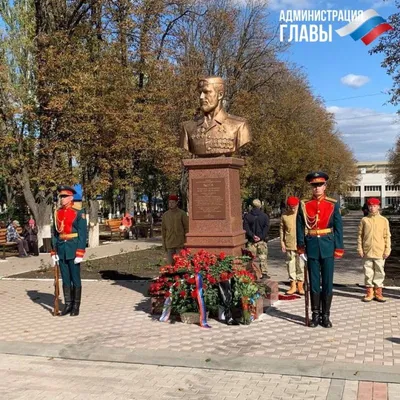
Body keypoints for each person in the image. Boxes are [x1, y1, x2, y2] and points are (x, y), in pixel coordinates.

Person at [297, 172, 344, 328]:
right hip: (311, 247)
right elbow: (299, 227)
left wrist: (339, 247)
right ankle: (315, 314)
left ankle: (326, 315)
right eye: (314, 185)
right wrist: (300, 246)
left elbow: (338, 227)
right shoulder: (304, 204)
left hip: (328, 245)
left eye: (319, 185)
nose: (317, 188)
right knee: (314, 283)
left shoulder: (332, 204)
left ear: (325, 186)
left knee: (328, 282)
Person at [180, 76, 251, 157]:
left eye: (206, 92)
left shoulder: (239, 125)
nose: (201, 97)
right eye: (200, 93)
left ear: (220, 95)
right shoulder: (188, 127)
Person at [51, 185, 87, 316]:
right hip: (61, 248)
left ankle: (76, 306)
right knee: (65, 278)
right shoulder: (57, 212)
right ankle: (68, 304)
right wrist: (54, 251)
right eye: (61, 196)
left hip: (73, 248)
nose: (62, 199)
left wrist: (80, 252)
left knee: (75, 278)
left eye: (64, 196)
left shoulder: (78, 212)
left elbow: (83, 234)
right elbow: (55, 233)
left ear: (71, 197)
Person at [357, 198, 391, 303]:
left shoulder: (384, 220)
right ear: (368, 207)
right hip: (367, 251)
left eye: (375, 206)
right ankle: (369, 292)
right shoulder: (364, 220)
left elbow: (387, 236)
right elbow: (360, 236)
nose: (372, 208)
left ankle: (378, 292)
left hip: (380, 251)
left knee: (379, 271)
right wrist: (360, 248)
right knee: (368, 271)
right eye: (370, 206)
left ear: (378, 206)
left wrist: (387, 249)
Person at [280, 196, 305, 295]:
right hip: (289, 243)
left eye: (294, 206)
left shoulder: (302, 215)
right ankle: (292, 285)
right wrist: (282, 242)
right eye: (291, 207)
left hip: (300, 244)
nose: (293, 209)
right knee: (290, 264)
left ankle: (300, 285)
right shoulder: (285, 216)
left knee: (301, 265)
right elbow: (282, 230)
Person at [243, 199, 270, 279]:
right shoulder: (264, 216)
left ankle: (251, 273)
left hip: (251, 241)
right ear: (260, 206)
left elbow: (246, 228)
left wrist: (252, 236)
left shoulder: (247, 216)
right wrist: (260, 237)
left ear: (251, 206)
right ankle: (264, 273)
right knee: (263, 257)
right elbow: (266, 228)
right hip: (261, 241)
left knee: (251, 258)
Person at [161, 194, 189, 265]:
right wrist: (164, 246)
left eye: (173, 202)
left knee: (180, 264)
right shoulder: (165, 215)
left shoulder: (182, 214)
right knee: (170, 265)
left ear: (176, 203)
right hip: (169, 244)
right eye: (169, 202)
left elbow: (187, 228)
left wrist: (186, 243)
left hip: (180, 244)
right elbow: (163, 231)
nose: (171, 204)